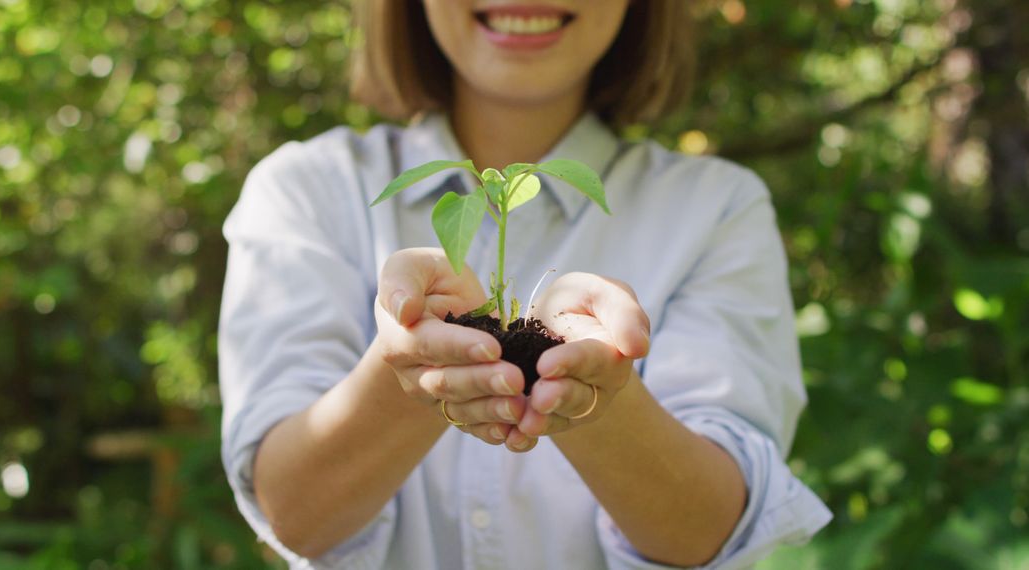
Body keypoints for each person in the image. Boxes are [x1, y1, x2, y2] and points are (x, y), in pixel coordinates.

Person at [219, 0, 832, 568]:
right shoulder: (308, 189)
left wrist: (597, 393)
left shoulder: (715, 207)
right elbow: (294, 513)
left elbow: (706, 530)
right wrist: (412, 361)